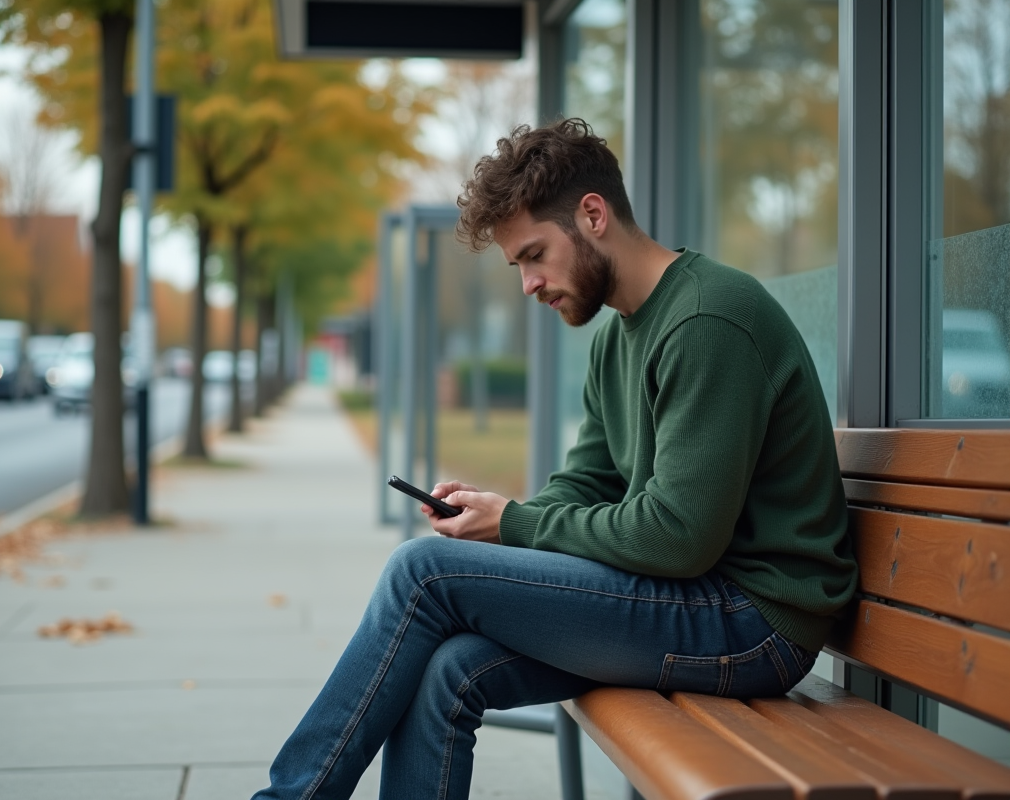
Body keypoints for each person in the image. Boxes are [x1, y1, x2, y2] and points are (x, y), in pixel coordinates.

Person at [251, 118, 857, 800]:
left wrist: (514, 525)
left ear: (592, 216)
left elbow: (678, 536)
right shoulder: (616, 338)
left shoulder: (706, 319)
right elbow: (587, 482)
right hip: (698, 600)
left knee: (421, 572)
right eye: (518, 266)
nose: (529, 285)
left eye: (535, 255)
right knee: (449, 666)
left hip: (752, 622)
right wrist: (499, 514)